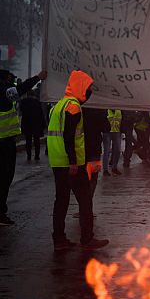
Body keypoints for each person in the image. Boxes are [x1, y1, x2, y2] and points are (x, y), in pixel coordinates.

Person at [47, 70, 108, 250]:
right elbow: (68, 137)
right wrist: (73, 162)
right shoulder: (73, 107)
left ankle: (59, 239)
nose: (89, 92)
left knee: (61, 201)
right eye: (88, 88)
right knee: (84, 200)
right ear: (80, 87)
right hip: (72, 164)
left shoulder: (58, 105)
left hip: (58, 162)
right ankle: (87, 238)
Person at [0, 69, 46, 225]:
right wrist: (38, 77)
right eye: (10, 79)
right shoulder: (1, 93)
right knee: (4, 177)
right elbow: (19, 90)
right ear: (4, 79)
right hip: (3, 142)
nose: (12, 82)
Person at [21, 89, 46, 161]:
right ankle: (37, 156)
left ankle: (29, 156)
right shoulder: (37, 102)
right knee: (36, 140)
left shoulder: (23, 102)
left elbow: (22, 112)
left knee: (28, 140)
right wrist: (43, 124)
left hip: (27, 123)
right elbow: (41, 113)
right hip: (36, 123)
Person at [103, 109, 122, 175]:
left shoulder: (119, 111)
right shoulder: (106, 111)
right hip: (107, 132)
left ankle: (114, 167)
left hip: (117, 132)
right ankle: (105, 170)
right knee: (106, 151)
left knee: (118, 150)